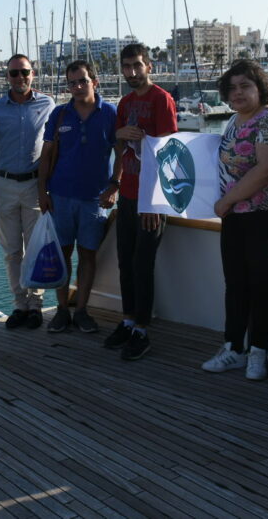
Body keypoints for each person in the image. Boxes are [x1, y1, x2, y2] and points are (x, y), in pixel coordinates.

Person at [201, 60, 268, 380]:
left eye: (246, 86)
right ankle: (233, 348)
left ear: (260, 88)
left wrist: (226, 200)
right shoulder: (234, 121)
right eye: (233, 87)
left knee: (262, 287)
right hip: (235, 218)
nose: (238, 92)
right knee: (236, 286)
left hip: (263, 217)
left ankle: (258, 352)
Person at [103, 43, 178, 360]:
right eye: (127, 66)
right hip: (129, 197)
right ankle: (128, 319)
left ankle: (142, 331)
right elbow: (120, 149)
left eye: (137, 65)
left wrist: (156, 203)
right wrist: (116, 182)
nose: (132, 72)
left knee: (142, 265)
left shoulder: (162, 100)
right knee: (125, 263)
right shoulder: (125, 102)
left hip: (151, 201)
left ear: (149, 66)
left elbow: (171, 153)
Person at [37, 60, 118, 333]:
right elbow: (46, 156)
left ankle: (81, 310)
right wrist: (42, 192)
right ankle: (61, 310)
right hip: (60, 196)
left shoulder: (110, 113)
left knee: (87, 256)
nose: (78, 87)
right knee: (62, 254)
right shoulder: (60, 114)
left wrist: (114, 185)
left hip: (94, 199)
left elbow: (122, 152)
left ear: (94, 82)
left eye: (82, 81)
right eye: (72, 83)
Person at [0, 54, 55, 330]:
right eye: (14, 74)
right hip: (5, 185)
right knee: (12, 251)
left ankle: (36, 304)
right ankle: (19, 304)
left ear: (32, 74)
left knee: (36, 247)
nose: (20, 78)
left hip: (36, 185)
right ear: (7, 77)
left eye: (24, 72)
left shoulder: (47, 104)